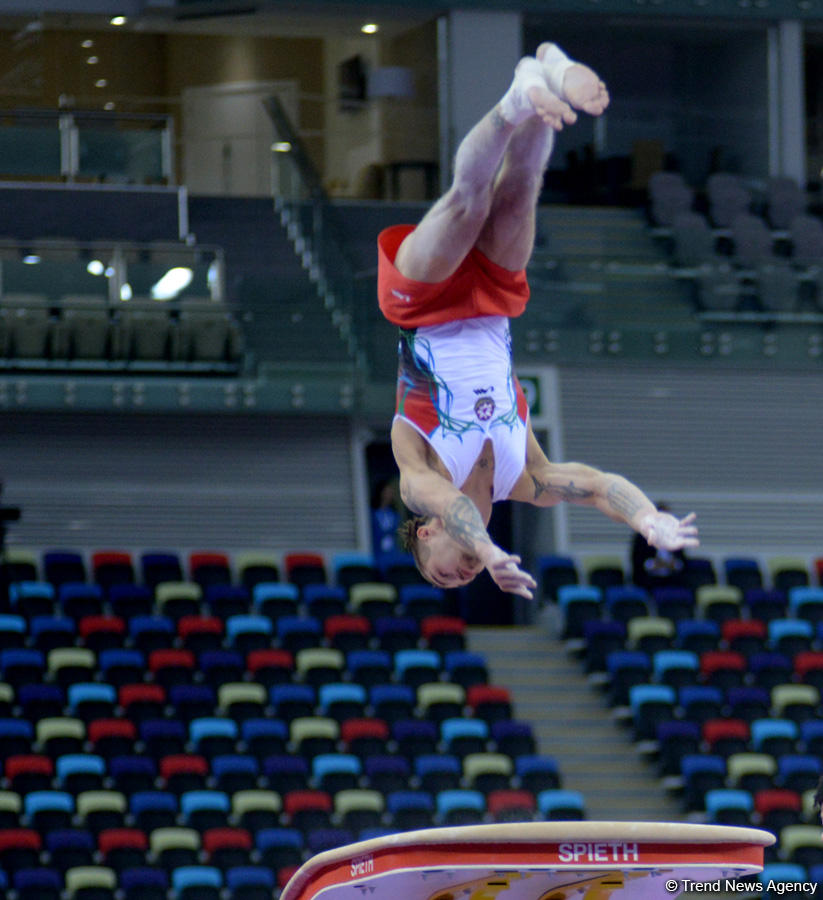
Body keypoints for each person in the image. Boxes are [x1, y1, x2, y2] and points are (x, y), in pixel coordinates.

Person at [379, 42, 699, 600]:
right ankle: (540, 78)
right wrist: (649, 521)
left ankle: (511, 105)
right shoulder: (522, 479)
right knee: (523, 187)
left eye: (435, 571)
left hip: (422, 305)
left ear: (425, 535)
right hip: (494, 306)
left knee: (468, 201)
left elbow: (455, 506)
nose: (454, 580)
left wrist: (487, 551)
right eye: (459, 580)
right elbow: (598, 487)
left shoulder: (418, 481)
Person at [631, 501, 689, 593]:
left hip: (671, 577)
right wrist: (654, 564)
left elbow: (682, 560)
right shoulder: (642, 537)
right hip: (650, 578)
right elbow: (637, 561)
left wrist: (674, 564)